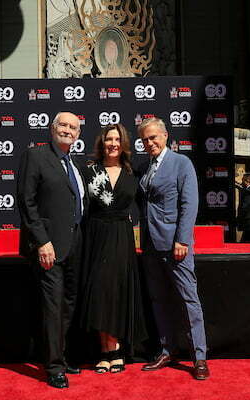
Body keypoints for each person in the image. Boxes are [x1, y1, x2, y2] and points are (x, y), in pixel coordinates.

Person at [17, 111, 87, 389]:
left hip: (75, 244)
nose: (68, 130)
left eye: (74, 127)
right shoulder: (35, 156)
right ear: (52, 127)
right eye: (64, 125)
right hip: (48, 247)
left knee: (68, 303)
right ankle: (54, 366)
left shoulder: (75, 163)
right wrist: (42, 241)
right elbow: (26, 202)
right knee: (53, 306)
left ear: (78, 134)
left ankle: (61, 354)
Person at [136, 117, 210, 380]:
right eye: (145, 139)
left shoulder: (181, 163)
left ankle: (199, 358)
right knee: (159, 300)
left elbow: (189, 205)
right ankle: (166, 350)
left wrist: (182, 240)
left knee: (189, 301)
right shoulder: (144, 168)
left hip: (175, 245)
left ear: (166, 136)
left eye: (154, 137)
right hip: (150, 246)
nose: (149, 142)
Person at [77, 124, 148, 374]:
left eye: (118, 139)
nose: (113, 143)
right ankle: (104, 350)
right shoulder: (89, 172)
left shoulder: (133, 173)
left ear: (123, 143)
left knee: (118, 291)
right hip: (96, 236)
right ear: (102, 142)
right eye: (109, 139)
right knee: (99, 292)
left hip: (121, 236)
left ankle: (114, 350)